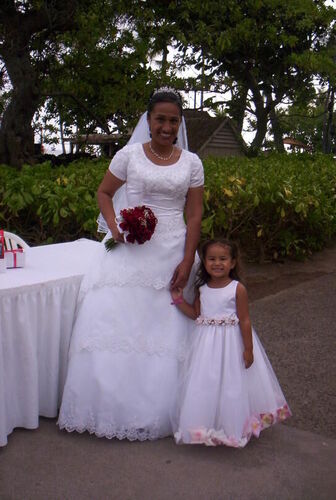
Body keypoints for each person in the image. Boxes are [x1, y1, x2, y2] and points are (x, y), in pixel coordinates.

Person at [58, 87, 204, 441]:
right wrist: (114, 225)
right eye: (160, 119)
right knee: (120, 325)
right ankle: (112, 409)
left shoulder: (192, 162)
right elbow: (104, 192)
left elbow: (195, 213)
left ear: (180, 122)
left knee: (166, 331)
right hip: (131, 253)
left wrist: (187, 260)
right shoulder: (129, 155)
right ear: (148, 121)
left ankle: (160, 411)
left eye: (173, 120)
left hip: (172, 252)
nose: (166, 127)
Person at [170, 238, 291, 448]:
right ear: (205, 263)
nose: (217, 263)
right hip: (207, 347)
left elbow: (244, 320)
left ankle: (234, 426)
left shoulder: (238, 289)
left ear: (233, 263)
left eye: (223, 259)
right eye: (212, 259)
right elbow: (196, 314)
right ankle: (207, 425)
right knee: (207, 383)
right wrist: (179, 300)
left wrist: (249, 349)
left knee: (232, 384)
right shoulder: (202, 290)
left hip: (232, 345)